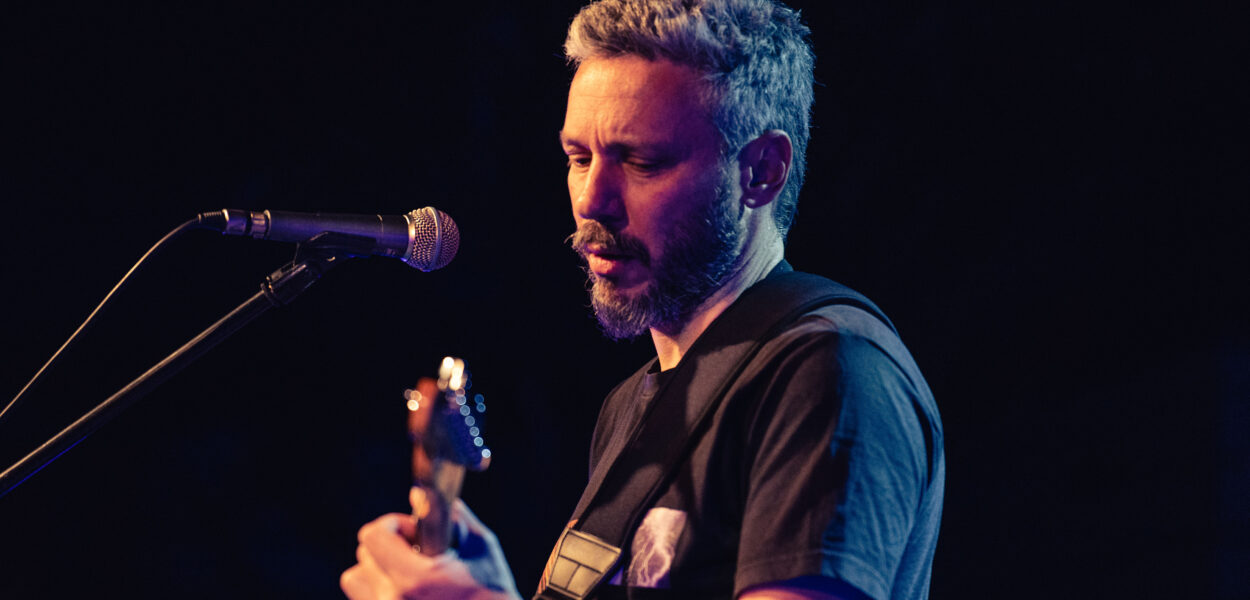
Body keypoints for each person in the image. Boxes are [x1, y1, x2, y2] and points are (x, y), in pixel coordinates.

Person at [340, 1, 944, 599]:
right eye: (578, 158)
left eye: (642, 161)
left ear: (761, 170)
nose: (591, 200)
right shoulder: (628, 407)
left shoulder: (827, 370)